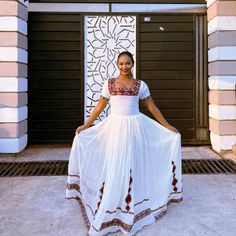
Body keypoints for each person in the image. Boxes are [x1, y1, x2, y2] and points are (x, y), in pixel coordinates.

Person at [65, 51, 183, 236]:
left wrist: (168, 126)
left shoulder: (140, 85)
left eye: (127, 63)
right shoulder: (110, 84)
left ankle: (131, 202)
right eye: (121, 63)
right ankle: (114, 200)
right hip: (115, 128)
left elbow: (152, 107)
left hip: (135, 128)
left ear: (133, 64)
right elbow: (100, 106)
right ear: (117, 64)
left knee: (132, 164)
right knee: (115, 163)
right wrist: (87, 125)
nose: (124, 67)